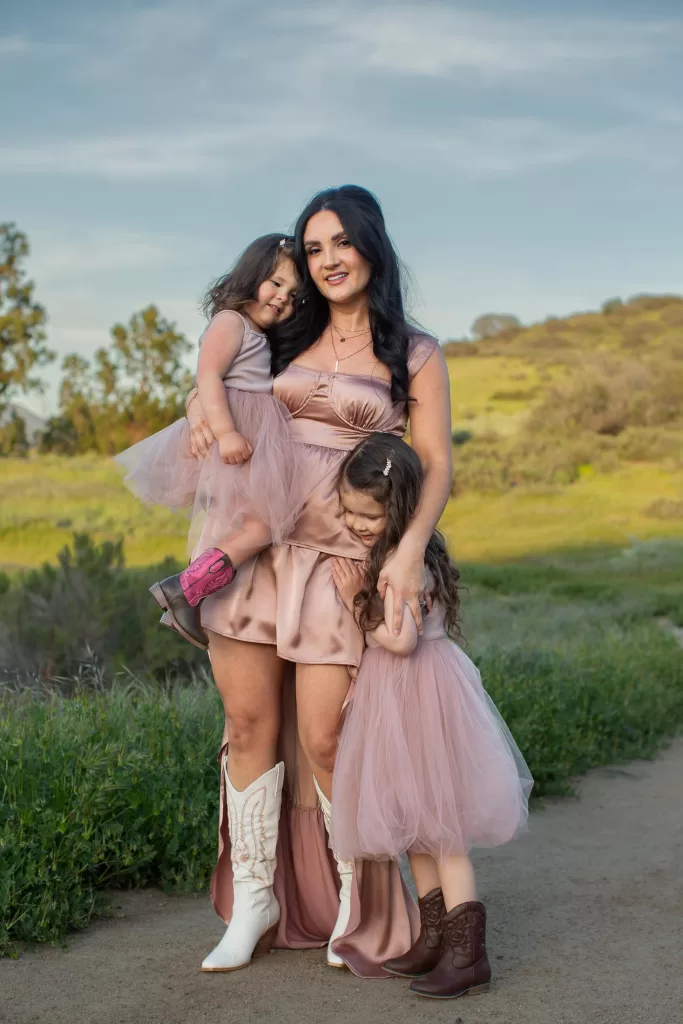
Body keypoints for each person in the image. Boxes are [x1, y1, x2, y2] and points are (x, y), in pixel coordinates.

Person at [184, 185, 453, 977]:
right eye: (313, 248)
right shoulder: (287, 332)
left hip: (341, 562)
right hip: (258, 548)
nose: (327, 260)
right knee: (244, 725)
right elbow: (223, 375)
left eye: (340, 242)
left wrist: (406, 552)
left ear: (370, 246)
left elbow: (434, 463)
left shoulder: (413, 350)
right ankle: (256, 899)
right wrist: (200, 412)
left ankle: (354, 901)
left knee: (330, 738)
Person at [330, 432, 533, 999]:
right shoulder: (392, 553)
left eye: (365, 514)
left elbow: (400, 641)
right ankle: (434, 936)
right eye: (346, 510)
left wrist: (356, 602)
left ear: (396, 509)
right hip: (397, 698)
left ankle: (469, 955)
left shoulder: (405, 561)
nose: (354, 522)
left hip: (420, 691)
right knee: (413, 821)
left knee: (442, 831)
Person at [116, 235, 302, 648]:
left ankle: (188, 593)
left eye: (292, 295)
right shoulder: (229, 322)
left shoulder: (258, 333)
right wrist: (226, 432)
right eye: (275, 283)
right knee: (264, 524)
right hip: (236, 433)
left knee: (259, 524)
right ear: (252, 276)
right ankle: (185, 589)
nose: (282, 298)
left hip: (255, 437)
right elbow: (208, 377)